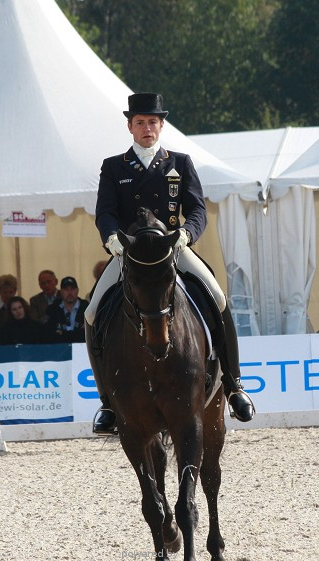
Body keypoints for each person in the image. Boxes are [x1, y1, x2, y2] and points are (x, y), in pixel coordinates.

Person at [86, 92, 254, 435]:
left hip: (173, 250)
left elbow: (196, 210)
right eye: (139, 123)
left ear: (161, 125)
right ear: (130, 127)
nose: (146, 128)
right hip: (129, 253)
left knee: (218, 298)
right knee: (92, 312)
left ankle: (235, 385)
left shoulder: (180, 161)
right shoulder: (113, 166)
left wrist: (186, 235)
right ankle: (107, 401)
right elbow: (105, 211)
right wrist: (112, 238)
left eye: (152, 122)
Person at [45, 276, 87, 344]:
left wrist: (62, 334)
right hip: (58, 349)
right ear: (61, 291)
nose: (69, 293)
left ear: (77, 290)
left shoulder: (86, 308)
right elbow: (48, 333)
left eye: (72, 289)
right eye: (66, 289)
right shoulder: (52, 309)